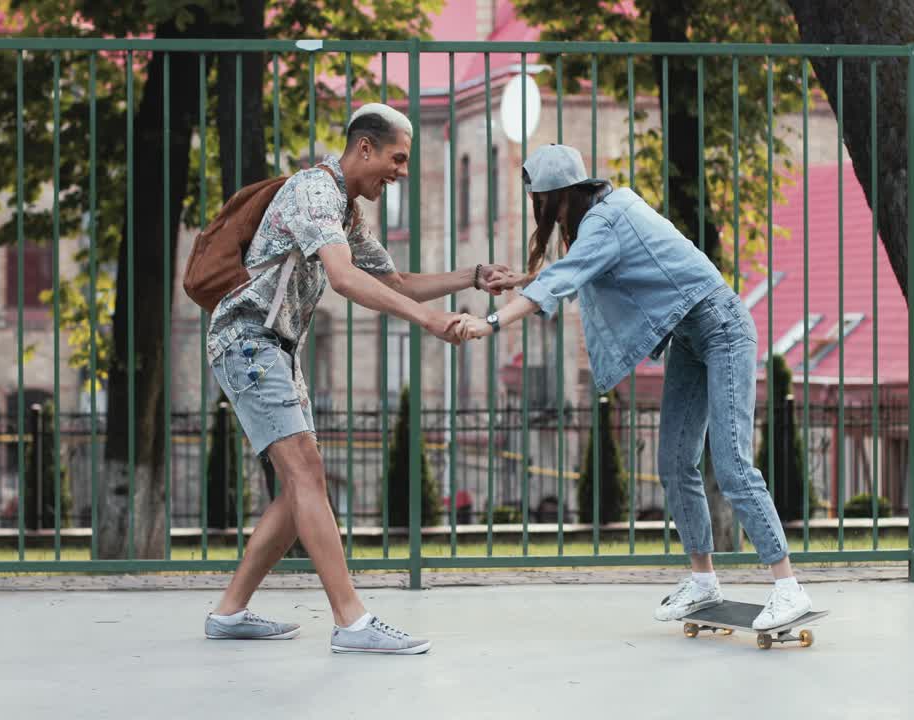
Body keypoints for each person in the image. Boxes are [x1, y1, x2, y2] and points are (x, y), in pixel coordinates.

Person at [457, 144, 813, 630]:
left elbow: (568, 275)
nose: (541, 212)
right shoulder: (606, 212)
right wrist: (523, 278)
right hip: (688, 335)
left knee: (730, 461)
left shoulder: (607, 219)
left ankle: (787, 585)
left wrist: (490, 324)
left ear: (558, 196)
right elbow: (575, 268)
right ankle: (704, 580)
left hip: (723, 327)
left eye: (541, 201)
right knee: (673, 462)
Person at [204, 103, 516, 654]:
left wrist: (472, 275)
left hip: (276, 350)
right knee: (307, 476)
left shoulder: (346, 212)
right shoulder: (314, 193)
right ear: (364, 148)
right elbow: (345, 280)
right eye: (397, 159)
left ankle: (229, 612)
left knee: (299, 486)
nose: (401, 171)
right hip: (247, 341)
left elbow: (397, 281)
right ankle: (352, 622)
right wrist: (431, 322)